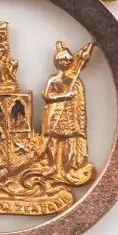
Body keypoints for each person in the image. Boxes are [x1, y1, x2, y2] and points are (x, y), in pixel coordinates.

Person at [40, 41, 97, 185]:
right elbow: (46, 96)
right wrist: (64, 96)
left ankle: (68, 168)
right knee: (53, 140)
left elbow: (82, 61)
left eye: (67, 60)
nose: (65, 62)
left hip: (70, 113)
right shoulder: (54, 79)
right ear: (57, 62)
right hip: (55, 112)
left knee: (69, 141)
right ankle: (53, 166)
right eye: (62, 60)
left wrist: (89, 49)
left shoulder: (73, 77)